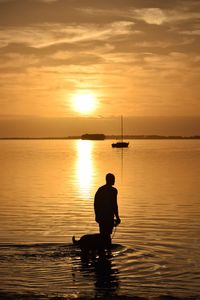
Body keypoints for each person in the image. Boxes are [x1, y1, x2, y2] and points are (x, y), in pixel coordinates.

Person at [94, 173, 121, 247]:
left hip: (102, 216)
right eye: (113, 179)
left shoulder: (100, 189)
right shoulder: (113, 191)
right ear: (109, 180)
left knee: (103, 234)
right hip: (108, 217)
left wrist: (97, 215)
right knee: (107, 235)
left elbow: (96, 203)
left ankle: (103, 251)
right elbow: (114, 204)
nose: (114, 181)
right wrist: (117, 217)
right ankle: (107, 252)